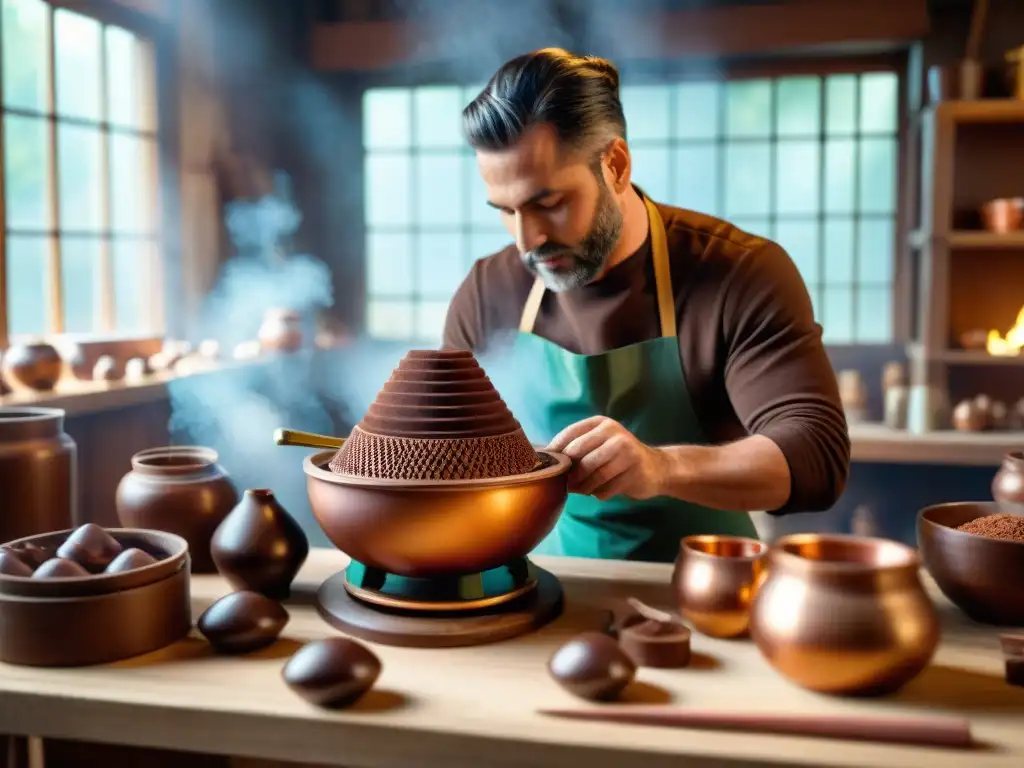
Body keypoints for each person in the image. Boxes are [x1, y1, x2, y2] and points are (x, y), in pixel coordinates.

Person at [442, 48, 851, 563]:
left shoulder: (739, 273)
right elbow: (445, 443)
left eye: (549, 204)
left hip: (706, 589)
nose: (528, 240)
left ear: (614, 165)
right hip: (546, 585)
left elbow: (816, 457)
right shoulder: (489, 289)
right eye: (506, 211)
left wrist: (660, 468)